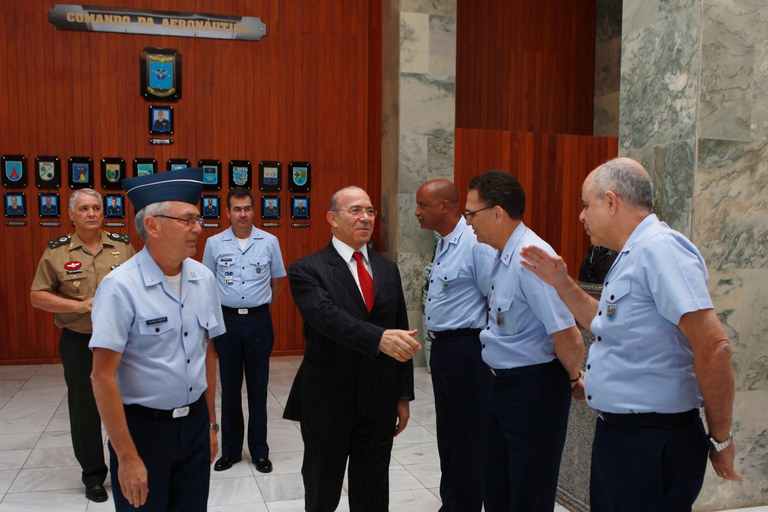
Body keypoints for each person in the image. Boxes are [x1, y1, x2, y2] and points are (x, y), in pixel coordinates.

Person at [520, 157, 741, 511]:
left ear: (611, 201)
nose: (581, 216)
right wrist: (561, 282)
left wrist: (720, 439)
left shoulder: (661, 249)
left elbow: (715, 347)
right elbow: (605, 324)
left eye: (585, 203)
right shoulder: (630, 255)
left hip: (652, 440)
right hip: (622, 435)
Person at [89, 168, 225, 511]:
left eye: (198, 218)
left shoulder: (204, 278)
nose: (198, 227)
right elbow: (102, 376)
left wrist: (210, 423)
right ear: (153, 225)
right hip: (143, 430)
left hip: (194, 424)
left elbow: (208, 354)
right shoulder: (120, 287)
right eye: (188, 219)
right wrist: (126, 457)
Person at [284, 186, 421, 511]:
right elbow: (326, 318)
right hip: (328, 399)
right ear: (332, 218)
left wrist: (402, 396)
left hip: (377, 400)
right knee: (322, 489)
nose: (365, 217)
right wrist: (378, 339)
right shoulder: (308, 269)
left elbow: (400, 329)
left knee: (372, 492)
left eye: (370, 211)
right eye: (356, 210)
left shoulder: (388, 269)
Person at [464, 170, 585, 511]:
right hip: (501, 387)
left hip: (533, 392)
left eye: (472, 213)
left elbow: (567, 335)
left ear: (498, 213)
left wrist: (576, 376)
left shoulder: (532, 258)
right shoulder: (503, 256)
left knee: (529, 491)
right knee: (498, 487)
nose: (468, 222)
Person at [30, 188, 135, 503]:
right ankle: (93, 476)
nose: (91, 214)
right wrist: (80, 306)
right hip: (80, 341)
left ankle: (124, 467)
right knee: (85, 410)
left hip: (121, 341)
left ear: (104, 213)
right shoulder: (57, 252)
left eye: (96, 208)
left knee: (125, 405)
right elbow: (37, 296)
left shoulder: (123, 246)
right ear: (72, 215)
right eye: (84, 209)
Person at [414, 179, 495, 511]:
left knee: (467, 436)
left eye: (423, 205)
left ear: (444, 206)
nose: (416, 212)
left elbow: (495, 298)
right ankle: (453, 501)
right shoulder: (445, 242)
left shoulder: (475, 243)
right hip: (445, 349)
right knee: (448, 434)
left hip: (467, 350)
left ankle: (465, 504)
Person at [203, 187, 286, 473]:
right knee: (229, 388)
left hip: (259, 322)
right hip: (226, 322)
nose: (242, 214)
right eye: (237, 209)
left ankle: (260, 451)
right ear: (227, 212)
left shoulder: (269, 241)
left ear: (254, 210)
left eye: (247, 208)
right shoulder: (214, 243)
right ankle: (231, 451)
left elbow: (277, 282)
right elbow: (207, 284)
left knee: (258, 388)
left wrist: (260, 308)